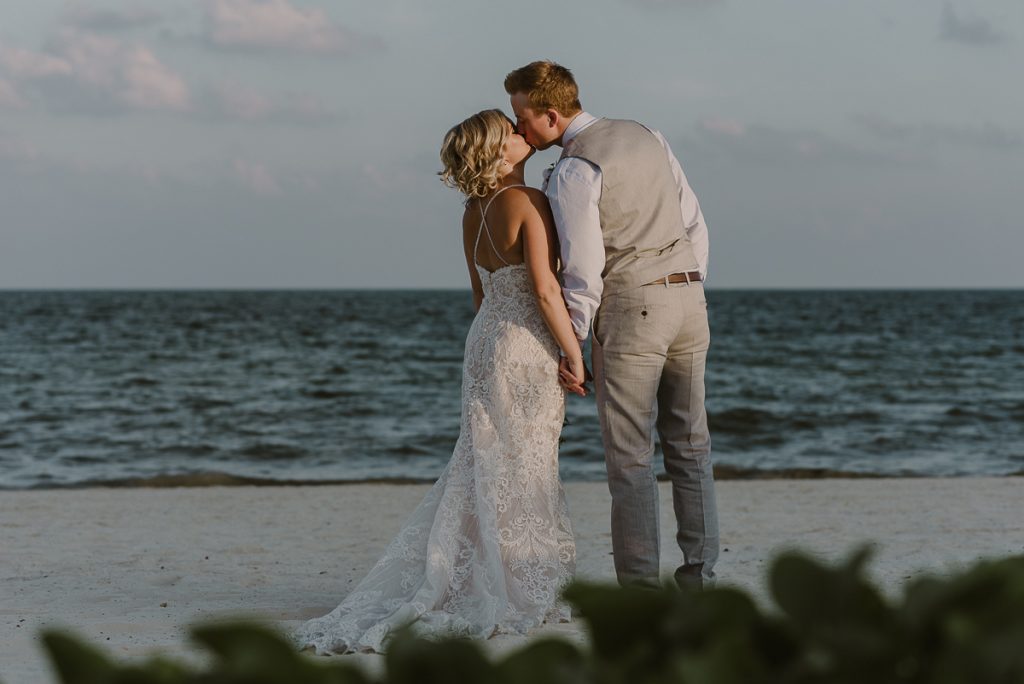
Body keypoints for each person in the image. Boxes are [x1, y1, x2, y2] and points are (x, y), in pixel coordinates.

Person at [293, 109, 581, 654]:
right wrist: (575, 354)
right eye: (513, 134)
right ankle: (516, 582)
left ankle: (479, 572)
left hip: (482, 342)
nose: (523, 136)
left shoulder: (473, 211)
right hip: (522, 345)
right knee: (525, 459)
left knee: (484, 460)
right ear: (499, 152)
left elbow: (481, 296)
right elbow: (545, 292)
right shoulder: (528, 202)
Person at [505, 61, 719, 589]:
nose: (519, 130)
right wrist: (687, 285)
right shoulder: (648, 135)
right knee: (691, 447)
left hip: (631, 310)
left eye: (522, 118)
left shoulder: (575, 171)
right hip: (689, 300)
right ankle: (700, 580)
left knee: (630, 461)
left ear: (552, 116)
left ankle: (641, 594)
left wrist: (572, 341)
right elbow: (694, 221)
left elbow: (583, 268)